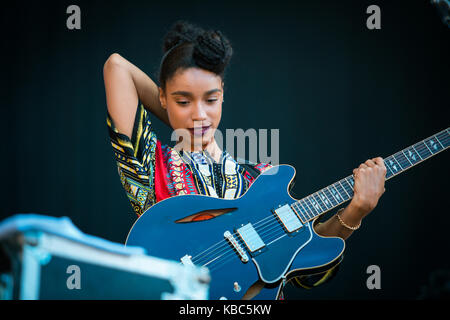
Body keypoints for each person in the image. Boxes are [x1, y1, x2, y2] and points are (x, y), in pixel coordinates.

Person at [103, 20, 387, 297]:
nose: (200, 113)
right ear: (162, 97)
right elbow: (116, 67)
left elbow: (303, 272)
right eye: (183, 100)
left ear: (223, 94)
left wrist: (356, 211)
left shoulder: (261, 177)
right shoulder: (151, 166)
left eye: (210, 99)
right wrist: (187, 132)